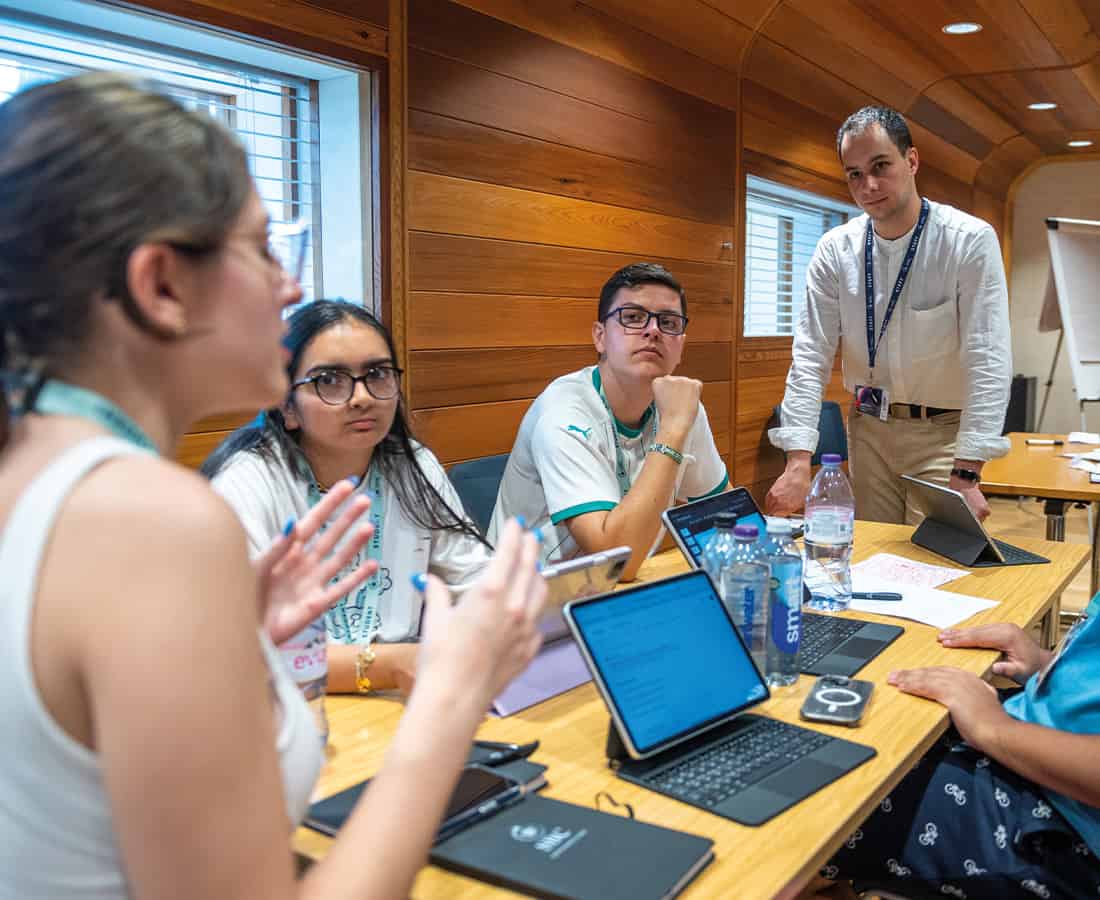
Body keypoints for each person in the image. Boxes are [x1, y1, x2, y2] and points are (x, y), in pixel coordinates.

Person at [0, 71, 544, 899]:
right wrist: (452, 694)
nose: (290, 287)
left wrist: (241, 639)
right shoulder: (152, 521)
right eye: (262, 249)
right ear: (160, 286)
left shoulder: (43, 475)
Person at [204, 299, 491, 695]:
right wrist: (389, 666)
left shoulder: (414, 465)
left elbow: (475, 578)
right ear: (286, 406)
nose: (361, 397)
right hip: (289, 708)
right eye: (329, 380)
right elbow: (238, 649)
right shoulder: (247, 481)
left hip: (392, 698)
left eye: (377, 374)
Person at [766, 105, 1012, 526]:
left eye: (881, 165)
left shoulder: (967, 241)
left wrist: (968, 472)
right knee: (872, 558)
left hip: (942, 436)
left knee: (934, 566)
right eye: (854, 174)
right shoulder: (835, 250)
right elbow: (810, 357)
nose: (869, 185)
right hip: (868, 430)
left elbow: (987, 358)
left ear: (912, 161)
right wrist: (797, 460)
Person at [805, 608, 1100, 899]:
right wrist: (1045, 665)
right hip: (1039, 750)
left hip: (1059, 831)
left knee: (821, 796)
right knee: (878, 723)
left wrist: (992, 728)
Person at [489, 262, 728, 580]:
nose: (653, 330)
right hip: (527, 606)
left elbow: (723, 515)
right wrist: (672, 430)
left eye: (668, 322)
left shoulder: (681, 407)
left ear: (680, 345)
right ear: (600, 337)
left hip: (608, 595)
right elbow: (618, 562)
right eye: (632, 317)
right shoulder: (563, 414)